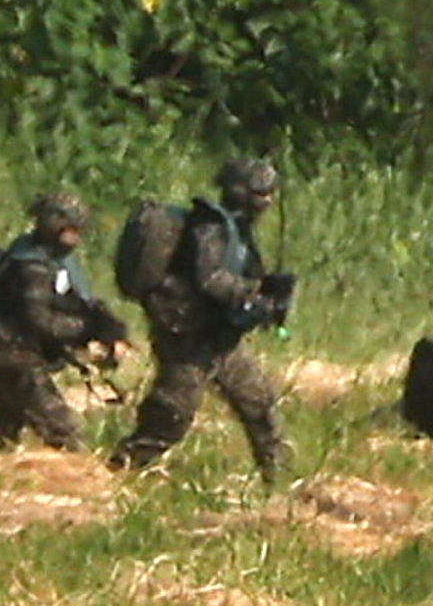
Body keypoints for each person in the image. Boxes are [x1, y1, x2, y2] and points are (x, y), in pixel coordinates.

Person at [113, 157, 296, 483]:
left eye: (269, 194)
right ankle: (120, 469)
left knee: (259, 404)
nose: (267, 201)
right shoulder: (211, 228)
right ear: (239, 192)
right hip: (189, 340)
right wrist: (253, 291)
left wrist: (267, 298)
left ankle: (279, 479)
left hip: (219, 338)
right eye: (259, 193)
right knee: (171, 416)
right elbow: (210, 280)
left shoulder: (236, 230)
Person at [0, 190, 127, 452]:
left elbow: (81, 302)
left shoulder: (55, 262)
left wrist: (110, 329)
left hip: (11, 356)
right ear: (51, 226)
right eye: (69, 229)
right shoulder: (30, 267)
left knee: (7, 425)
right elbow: (40, 321)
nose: (75, 237)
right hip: (9, 358)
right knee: (64, 430)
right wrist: (86, 330)